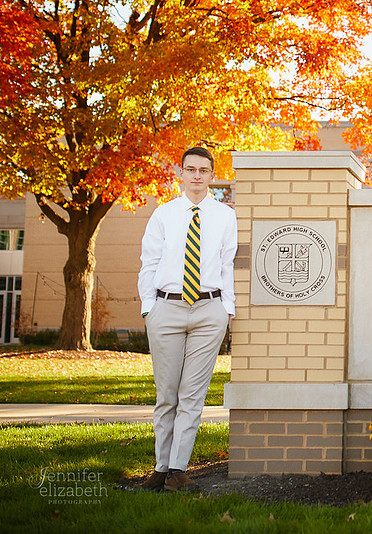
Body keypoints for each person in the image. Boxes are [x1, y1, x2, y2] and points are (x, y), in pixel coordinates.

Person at [138, 145, 237, 492]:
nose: (197, 175)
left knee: (192, 395)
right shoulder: (163, 215)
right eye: (190, 169)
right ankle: (160, 468)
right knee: (167, 394)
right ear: (181, 173)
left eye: (203, 170)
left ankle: (178, 469)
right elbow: (148, 263)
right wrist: (149, 308)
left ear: (212, 175)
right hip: (167, 309)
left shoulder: (226, 216)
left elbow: (228, 266)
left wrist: (227, 310)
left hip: (209, 310)